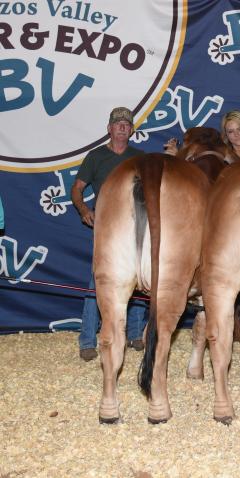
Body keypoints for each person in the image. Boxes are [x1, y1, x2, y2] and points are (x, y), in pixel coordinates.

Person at [71, 107, 148, 361]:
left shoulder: (140, 158)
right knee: (99, 281)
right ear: (109, 129)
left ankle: (136, 334)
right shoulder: (96, 157)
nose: (122, 127)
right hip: (106, 226)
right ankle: (86, 339)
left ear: (132, 130)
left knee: (138, 277)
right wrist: (83, 209)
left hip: (137, 224)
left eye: (126, 124)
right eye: (118, 124)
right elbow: (77, 188)